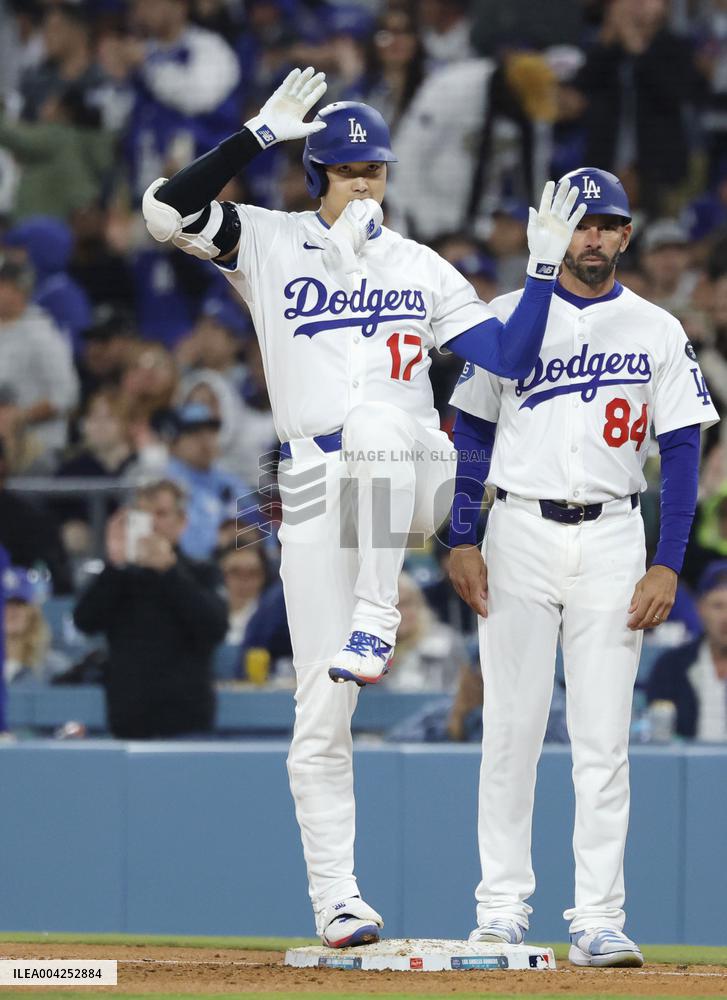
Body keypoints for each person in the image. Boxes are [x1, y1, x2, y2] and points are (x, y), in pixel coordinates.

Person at [141, 66, 586, 947]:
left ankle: (380, 612)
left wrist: (540, 273)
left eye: (373, 171)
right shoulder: (268, 241)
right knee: (319, 709)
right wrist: (253, 137)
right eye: (347, 172)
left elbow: (507, 356)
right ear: (316, 176)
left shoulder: (418, 265)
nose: (363, 185)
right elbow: (164, 212)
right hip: (313, 483)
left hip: (415, 467)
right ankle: (338, 901)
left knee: (379, 416)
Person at [447, 167, 720, 967]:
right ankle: (500, 908)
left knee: (603, 737)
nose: (592, 237)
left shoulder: (656, 329)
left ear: (625, 236)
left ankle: (598, 916)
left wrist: (667, 563)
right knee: (510, 729)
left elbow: (681, 452)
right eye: (579, 223)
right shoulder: (506, 317)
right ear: (554, 232)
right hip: (518, 529)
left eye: (605, 225)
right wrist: (461, 535)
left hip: (611, 534)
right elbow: (471, 433)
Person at [73, 478, 228, 739]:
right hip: (128, 721)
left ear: (181, 522)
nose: (152, 523)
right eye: (143, 514)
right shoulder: (119, 577)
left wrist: (169, 572)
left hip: (187, 721)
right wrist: (115, 565)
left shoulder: (202, 572)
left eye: (161, 514)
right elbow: (84, 621)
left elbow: (215, 627)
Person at [647, 561, 727, 741]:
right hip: (685, 758)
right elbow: (659, 736)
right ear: (700, 609)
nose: (726, 617)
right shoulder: (671, 666)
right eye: (718, 606)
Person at [3, 565, 69, 685]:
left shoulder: (55, 669)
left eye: (19, 604)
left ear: (33, 612)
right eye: (4, 604)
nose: (11, 611)